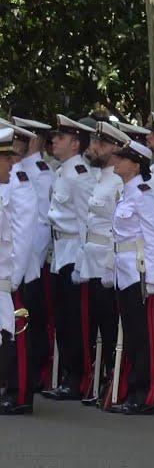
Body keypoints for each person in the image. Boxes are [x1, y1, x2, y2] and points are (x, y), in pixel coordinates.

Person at [107, 138, 154, 415]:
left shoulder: (144, 196)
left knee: (145, 338)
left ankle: (148, 395)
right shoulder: (126, 194)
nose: (116, 161)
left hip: (140, 273)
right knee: (132, 335)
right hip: (125, 271)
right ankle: (133, 390)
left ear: (135, 165)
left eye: (122, 158)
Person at [42, 115, 95, 401]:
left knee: (76, 322)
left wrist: (84, 262)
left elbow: (88, 221)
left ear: (75, 144)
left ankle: (78, 378)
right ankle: (67, 375)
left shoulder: (79, 175)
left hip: (75, 252)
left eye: (60, 137)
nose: (54, 141)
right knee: (62, 320)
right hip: (60, 252)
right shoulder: (62, 171)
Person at [76, 122, 127, 406]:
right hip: (93, 260)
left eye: (101, 144)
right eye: (94, 142)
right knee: (98, 325)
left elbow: (116, 230)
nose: (93, 148)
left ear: (116, 149)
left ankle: (113, 381)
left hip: (107, 262)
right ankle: (103, 381)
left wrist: (110, 265)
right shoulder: (100, 178)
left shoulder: (117, 182)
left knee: (109, 327)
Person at [8, 118, 54, 394]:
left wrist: (22, 270)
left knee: (23, 328)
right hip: (11, 266)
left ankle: (25, 387)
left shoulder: (24, 178)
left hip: (21, 266)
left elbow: (33, 228)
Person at [0, 127, 33, 415]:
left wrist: (15, 277)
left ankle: (19, 393)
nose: (12, 163)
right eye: (6, 158)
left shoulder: (19, 181)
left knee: (16, 335)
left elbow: (23, 232)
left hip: (11, 273)